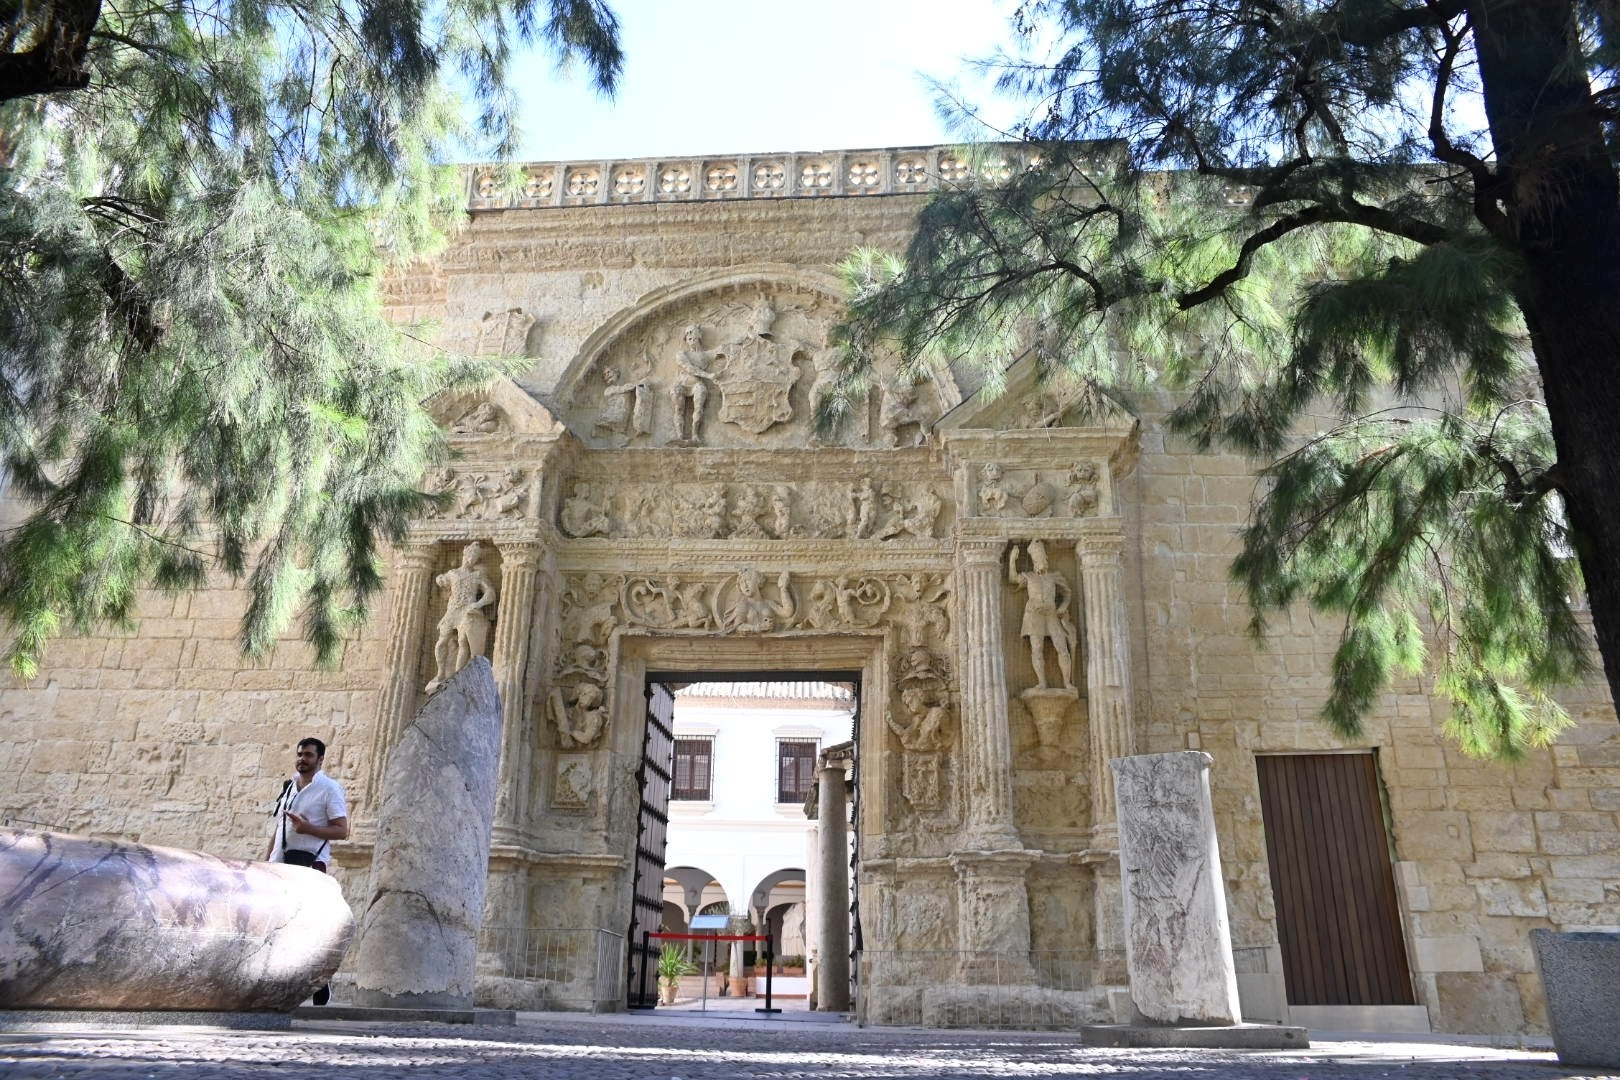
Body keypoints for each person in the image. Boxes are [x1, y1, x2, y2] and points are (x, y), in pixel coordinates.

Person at [266, 737, 350, 1005]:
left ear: (321, 759)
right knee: (280, 925)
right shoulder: (289, 787)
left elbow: (342, 830)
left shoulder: (329, 789)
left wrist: (307, 829)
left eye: (309, 755)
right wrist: (266, 861)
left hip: (310, 863)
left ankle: (320, 982)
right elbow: (280, 828)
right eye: (300, 754)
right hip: (282, 863)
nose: (303, 759)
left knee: (308, 925)